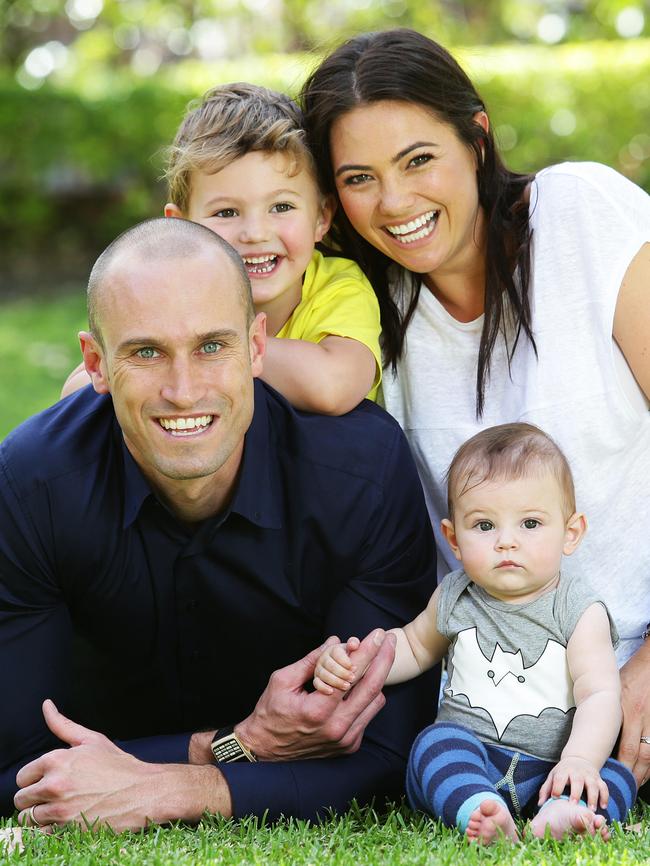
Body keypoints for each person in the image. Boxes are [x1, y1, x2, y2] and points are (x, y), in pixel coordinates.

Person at [0, 217, 439, 829]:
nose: (184, 390)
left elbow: (385, 752)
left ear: (256, 347)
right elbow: (17, 763)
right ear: (96, 364)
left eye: (213, 346)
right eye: (146, 352)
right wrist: (238, 743)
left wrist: (178, 790)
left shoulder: (358, 473)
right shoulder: (32, 483)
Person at [300, 28, 650, 791]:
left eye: (419, 159)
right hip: (489, 707)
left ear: (478, 137)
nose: (395, 203)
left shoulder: (580, 215)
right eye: (359, 177)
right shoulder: (366, 307)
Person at [315, 423, 636, 843]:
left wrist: (579, 761)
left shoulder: (578, 610)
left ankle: (561, 813)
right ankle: (480, 808)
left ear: (570, 532)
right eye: (484, 526)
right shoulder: (455, 595)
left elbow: (599, 694)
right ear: (453, 539)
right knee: (433, 744)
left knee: (616, 776)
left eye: (530, 523)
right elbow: (412, 646)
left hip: (555, 767)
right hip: (473, 758)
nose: (506, 542)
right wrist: (355, 664)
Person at [62, 83, 381, 415]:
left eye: (282, 207)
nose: (256, 233)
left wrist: (217, 351)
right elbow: (74, 394)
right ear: (180, 227)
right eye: (226, 213)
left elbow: (334, 387)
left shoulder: (337, 286)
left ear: (321, 217)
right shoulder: (169, 291)